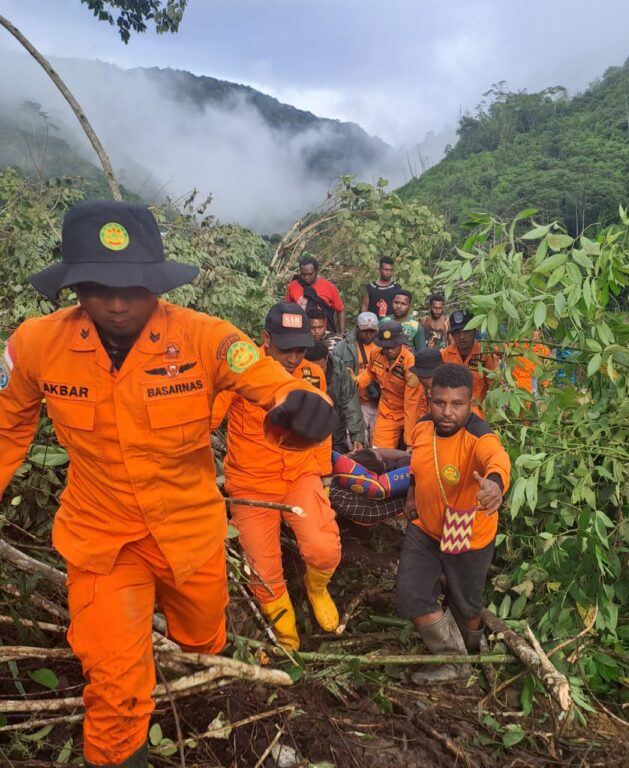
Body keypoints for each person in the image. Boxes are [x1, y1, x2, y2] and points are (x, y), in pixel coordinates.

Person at [0, 201, 337, 768]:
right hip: (102, 541)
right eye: (96, 286)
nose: (115, 302)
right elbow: (6, 424)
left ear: (156, 283)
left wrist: (305, 408)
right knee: (114, 685)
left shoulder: (205, 339)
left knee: (203, 638)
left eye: (132, 287)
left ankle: (198, 683)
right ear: (73, 286)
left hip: (190, 535)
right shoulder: (33, 346)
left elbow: (273, 383)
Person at [213, 303, 342, 652]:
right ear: (265, 339)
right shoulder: (238, 372)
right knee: (263, 572)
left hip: (301, 476)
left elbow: (321, 426)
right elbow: (207, 419)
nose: (293, 357)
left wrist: (325, 476)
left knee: (324, 548)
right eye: (286, 348)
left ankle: (316, 588)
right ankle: (286, 639)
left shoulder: (312, 374)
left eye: (300, 348)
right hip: (251, 485)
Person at [395, 364, 510, 684]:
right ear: (429, 400)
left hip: (467, 529)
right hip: (426, 527)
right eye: (439, 403)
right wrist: (412, 496)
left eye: (457, 404)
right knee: (411, 593)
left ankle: (473, 657)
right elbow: (418, 467)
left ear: (470, 403)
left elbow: (497, 460)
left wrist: (495, 485)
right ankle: (455, 663)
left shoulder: (479, 435)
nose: (447, 412)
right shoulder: (421, 428)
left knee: (466, 605)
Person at [357, 320, 417, 449]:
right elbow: (369, 373)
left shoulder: (410, 362)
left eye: (392, 347)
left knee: (411, 452)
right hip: (387, 410)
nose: (389, 350)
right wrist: (357, 381)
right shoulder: (376, 354)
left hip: (409, 409)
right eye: (385, 347)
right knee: (379, 452)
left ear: (400, 343)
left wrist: (410, 441)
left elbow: (412, 403)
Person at [305, 341, 365, 454]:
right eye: (312, 369)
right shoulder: (298, 367)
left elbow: (350, 400)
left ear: (327, 359)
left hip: (335, 422)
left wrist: (357, 437)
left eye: (320, 368)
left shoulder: (338, 367)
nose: (317, 372)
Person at [332, 312, 379, 444]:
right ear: (357, 329)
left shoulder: (384, 346)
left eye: (372, 331)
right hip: (356, 403)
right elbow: (336, 375)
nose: (369, 334)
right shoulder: (343, 347)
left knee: (378, 444)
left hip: (380, 403)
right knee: (357, 444)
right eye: (365, 331)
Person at [441, 309, 498, 416]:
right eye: (457, 333)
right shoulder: (444, 356)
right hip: (450, 414)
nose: (462, 337)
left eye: (466, 331)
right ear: (452, 335)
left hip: (478, 414)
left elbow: (495, 388)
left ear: (474, 332)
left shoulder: (486, 355)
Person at [285, 253, 345, 334]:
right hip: (300, 334)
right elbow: (287, 311)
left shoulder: (329, 287)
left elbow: (340, 309)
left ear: (316, 271)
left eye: (310, 274)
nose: (306, 277)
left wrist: (342, 333)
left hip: (324, 333)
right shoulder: (292, 286)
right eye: (303, 274)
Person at [404, 348, 442, 446]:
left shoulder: (447, 393)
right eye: (419, 375)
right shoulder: (427, 389)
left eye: (424, 376)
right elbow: (412, 407)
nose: (420, 379)